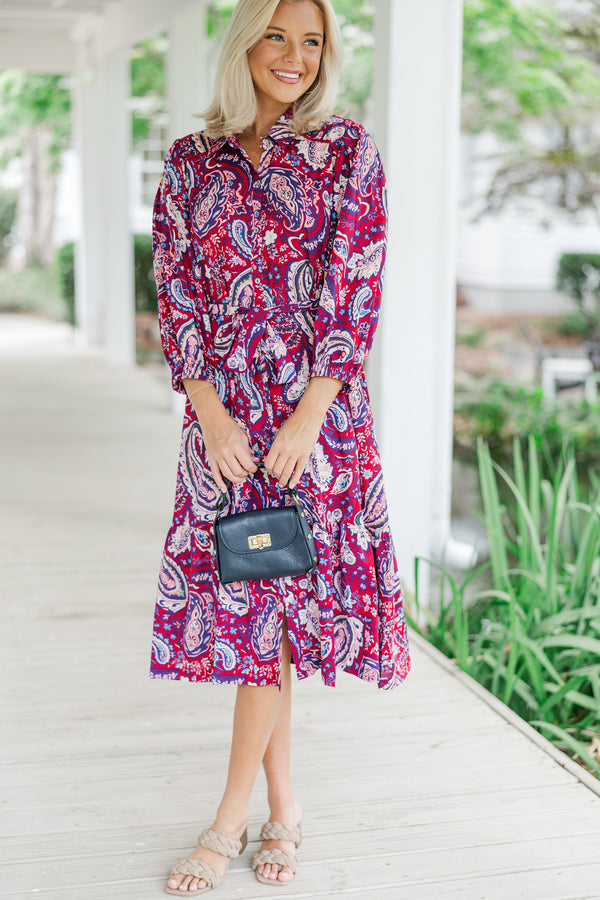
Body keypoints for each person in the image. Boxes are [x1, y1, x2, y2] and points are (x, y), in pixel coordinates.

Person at [150, 0, 411, 893]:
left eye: (313, 41)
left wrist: (307, 419)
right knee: (270, 618)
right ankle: (286, 810)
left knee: (276, 618)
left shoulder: (347, 153)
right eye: (278, 35)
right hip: (222, 431)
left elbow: (354, 294)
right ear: (244, 42)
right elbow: (176, 296)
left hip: (316, 431)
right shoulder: (190, 163)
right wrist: (211, 414)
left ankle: (228, 822)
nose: (295, 55)